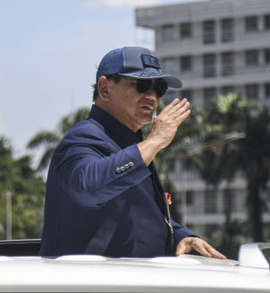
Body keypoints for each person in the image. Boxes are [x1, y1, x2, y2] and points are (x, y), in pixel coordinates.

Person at [39, 46, 225, 259]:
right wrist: (154, 141)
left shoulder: (130, 143)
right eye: (142, 85)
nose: (152, 96)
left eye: (159, 88)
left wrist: (181, 236)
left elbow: (139, 215)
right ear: (105, 89)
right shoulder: (83, 138)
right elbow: (89, 188)